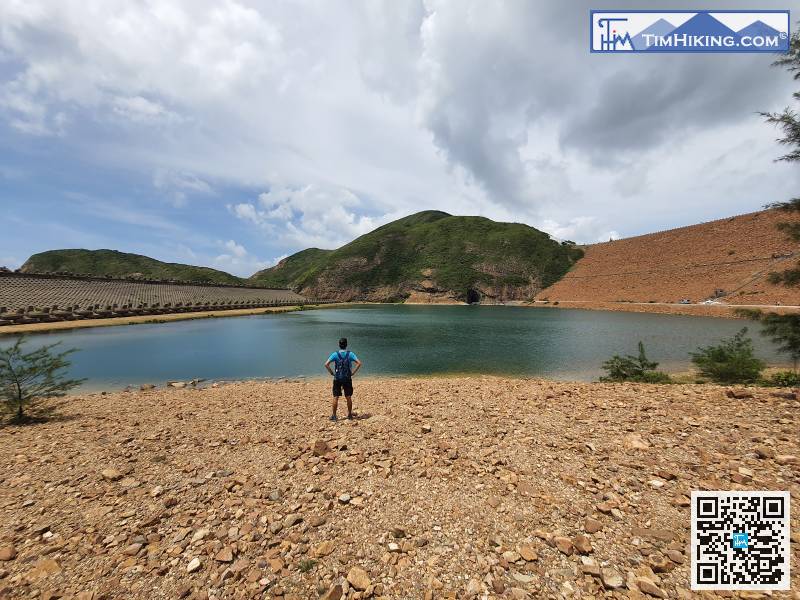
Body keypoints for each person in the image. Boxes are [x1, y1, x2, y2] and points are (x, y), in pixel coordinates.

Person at [324, 337, 362, 421]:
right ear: (346, 345)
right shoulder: (350, 354)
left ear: (339, 345)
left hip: (337, 378)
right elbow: (359, 363)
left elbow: (326, 364)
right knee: (348, 397)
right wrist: (353, 373)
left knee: (335, 397)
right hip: (347, 378)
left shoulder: (335, 354)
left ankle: (334, 416)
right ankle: (349, 415)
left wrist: (331, 373)